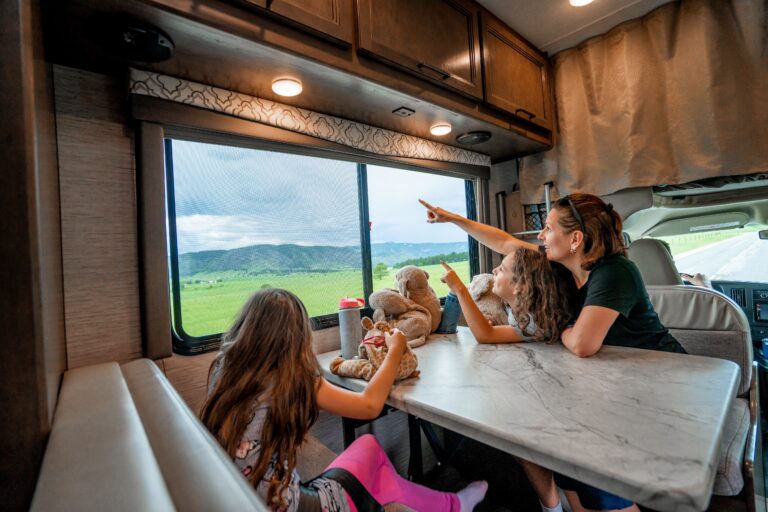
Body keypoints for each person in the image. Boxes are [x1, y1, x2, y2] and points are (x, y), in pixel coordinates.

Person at [420, 195, 686, 512]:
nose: (541, 236)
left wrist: (555, 327)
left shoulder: (615, 272)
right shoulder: (561, 270)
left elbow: (582, 344)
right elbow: (505, 242)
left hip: (661, 383)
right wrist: (454, 219)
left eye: (547, 228)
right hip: (609, 382)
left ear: (575, 239)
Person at [201, 288, 488, 512]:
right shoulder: (292, 381)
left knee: (374, 462)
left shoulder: (225, 369)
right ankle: (453, 504)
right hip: (293, 504)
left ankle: (451, 504)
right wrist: (394, 352)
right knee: (370, 450)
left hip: (240, 496)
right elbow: (370, 406)